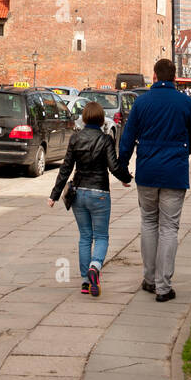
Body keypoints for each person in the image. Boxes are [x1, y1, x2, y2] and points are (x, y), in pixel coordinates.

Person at [117, 58, 191, 302]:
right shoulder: (184, 102)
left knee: (148, 223)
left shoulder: (142, 102)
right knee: (169, 227)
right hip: (174, 174)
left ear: (155, 76)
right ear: (174, 77)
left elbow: (127, 137)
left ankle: (149, 278)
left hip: (147, 172)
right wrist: (184, 151)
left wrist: (123, 167)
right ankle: (163, 286)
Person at [48, 101, 131, 295]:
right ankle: (95, 267)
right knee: (101, 236)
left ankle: (86, 281)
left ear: (84, 118)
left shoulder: (75, 139)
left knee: (85, 236)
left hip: (78, 193)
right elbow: (114, 166)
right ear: (102, 119)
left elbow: (65, 168)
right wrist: (126, 179)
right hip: (100, 193)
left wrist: (54, 195)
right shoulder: (105, 140)